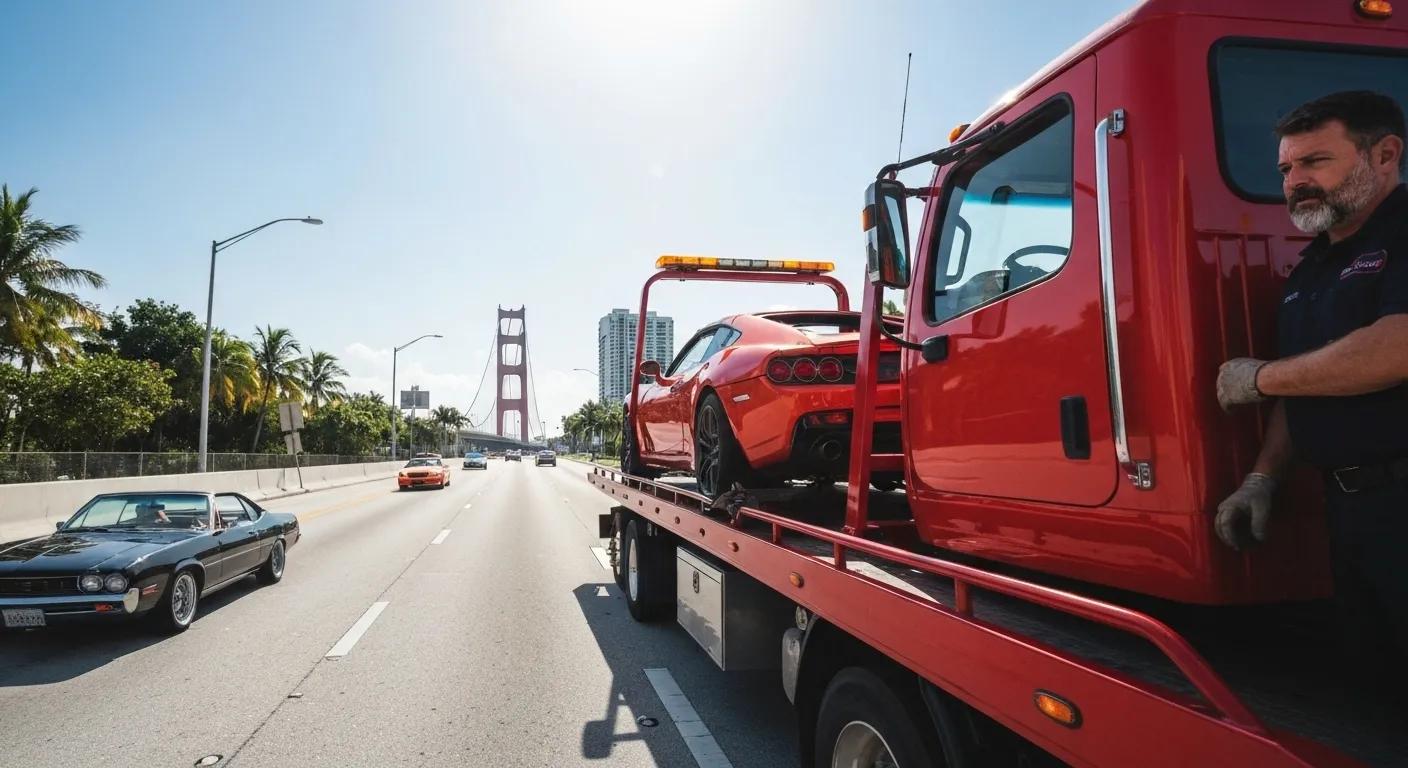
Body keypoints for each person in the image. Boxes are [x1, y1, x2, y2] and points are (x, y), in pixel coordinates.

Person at [1215, 91, 1407, 684]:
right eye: (1286, 169)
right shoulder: (1312, 266)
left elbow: (1397, 347)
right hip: (1352, 513)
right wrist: (1263, 478)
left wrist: (1261, 379)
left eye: (1315, 162)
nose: (1295, 181)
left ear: (1385, 155)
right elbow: (1311, 379)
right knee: (1381, 689)